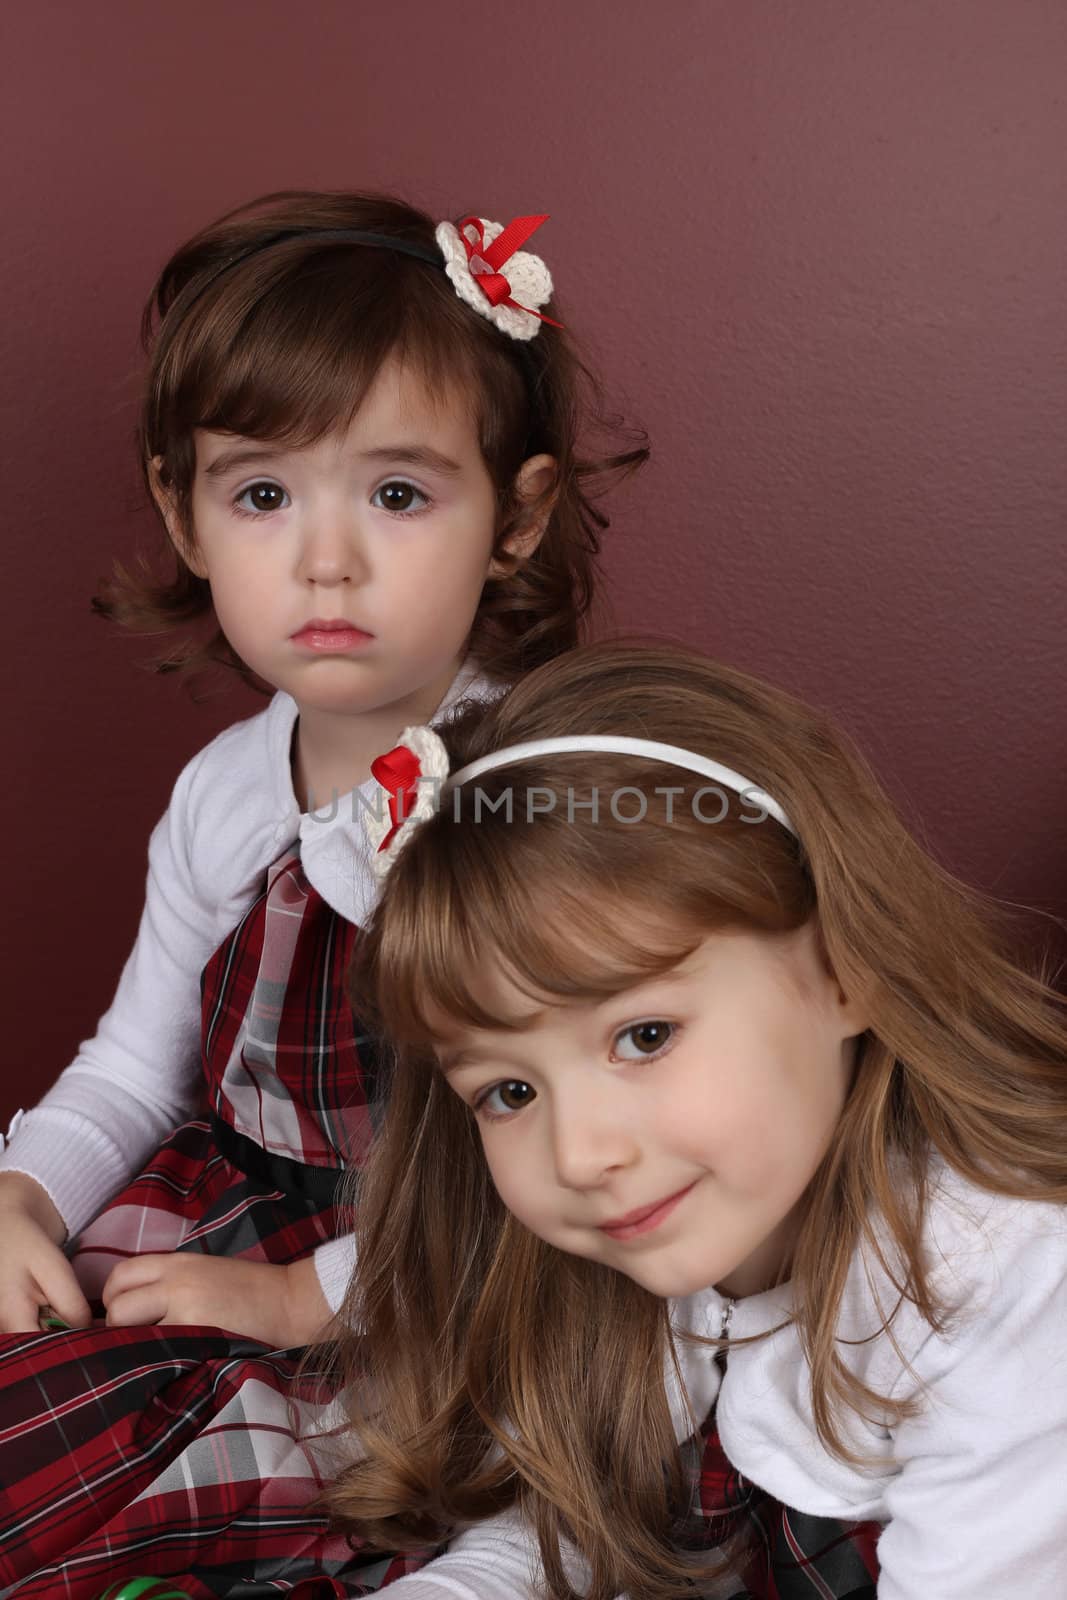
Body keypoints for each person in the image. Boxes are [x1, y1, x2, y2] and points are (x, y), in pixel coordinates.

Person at [0, 193, 646, 1595]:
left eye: (398, 494)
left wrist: (303, 1300)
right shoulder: (229, 789)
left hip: (473, 1262)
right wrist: (28, 1195)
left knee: (283, 1476)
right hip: (235, 1209)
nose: (325, 559)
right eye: (262, 494)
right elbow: (136, 1063)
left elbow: (556, 1153)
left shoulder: (527, 798)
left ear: (516, 517)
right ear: (186, 511)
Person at [324, 640, 1067, 1599]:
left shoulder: (1003, 1279)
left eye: (643, 1036)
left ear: (845, 968)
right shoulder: (653, 1232)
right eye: (508, 1093)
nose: (582, 1154)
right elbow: (586, 1523)